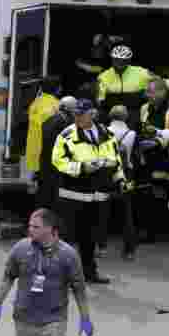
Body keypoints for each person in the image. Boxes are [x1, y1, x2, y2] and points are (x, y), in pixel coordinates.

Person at [0, 208, 92, 336]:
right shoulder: (21, 248)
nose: (30, 229)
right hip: (24, 319)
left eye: (35, 227)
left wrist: (85, 318)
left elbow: (79, 290)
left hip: (54, 320)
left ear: (50, 229)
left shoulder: (68, 255)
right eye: (30, 225)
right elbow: (8, 277)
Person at [51, 99, 122, 285]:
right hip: (73, 195)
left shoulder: (108, 134)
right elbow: (58, 161)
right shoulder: (66, 135)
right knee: (66, 238)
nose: (78, 118)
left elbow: (116, 160)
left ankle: (89, 272)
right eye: (76, 114)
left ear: (93, 114)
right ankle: (61, 275)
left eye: (82, 114)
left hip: (97, 196)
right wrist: (81, 168)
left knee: (89, 238)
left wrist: (120, 180)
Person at [96, 45, 153, 127]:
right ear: (112, 59)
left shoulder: (142, 72)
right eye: (116, 60)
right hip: (113, 112)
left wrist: (148, 93)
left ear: (128, 60)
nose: (119, 63)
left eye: (123, 61)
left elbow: (158, 82)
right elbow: (100, 99)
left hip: (135, 110)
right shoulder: (103, 76)